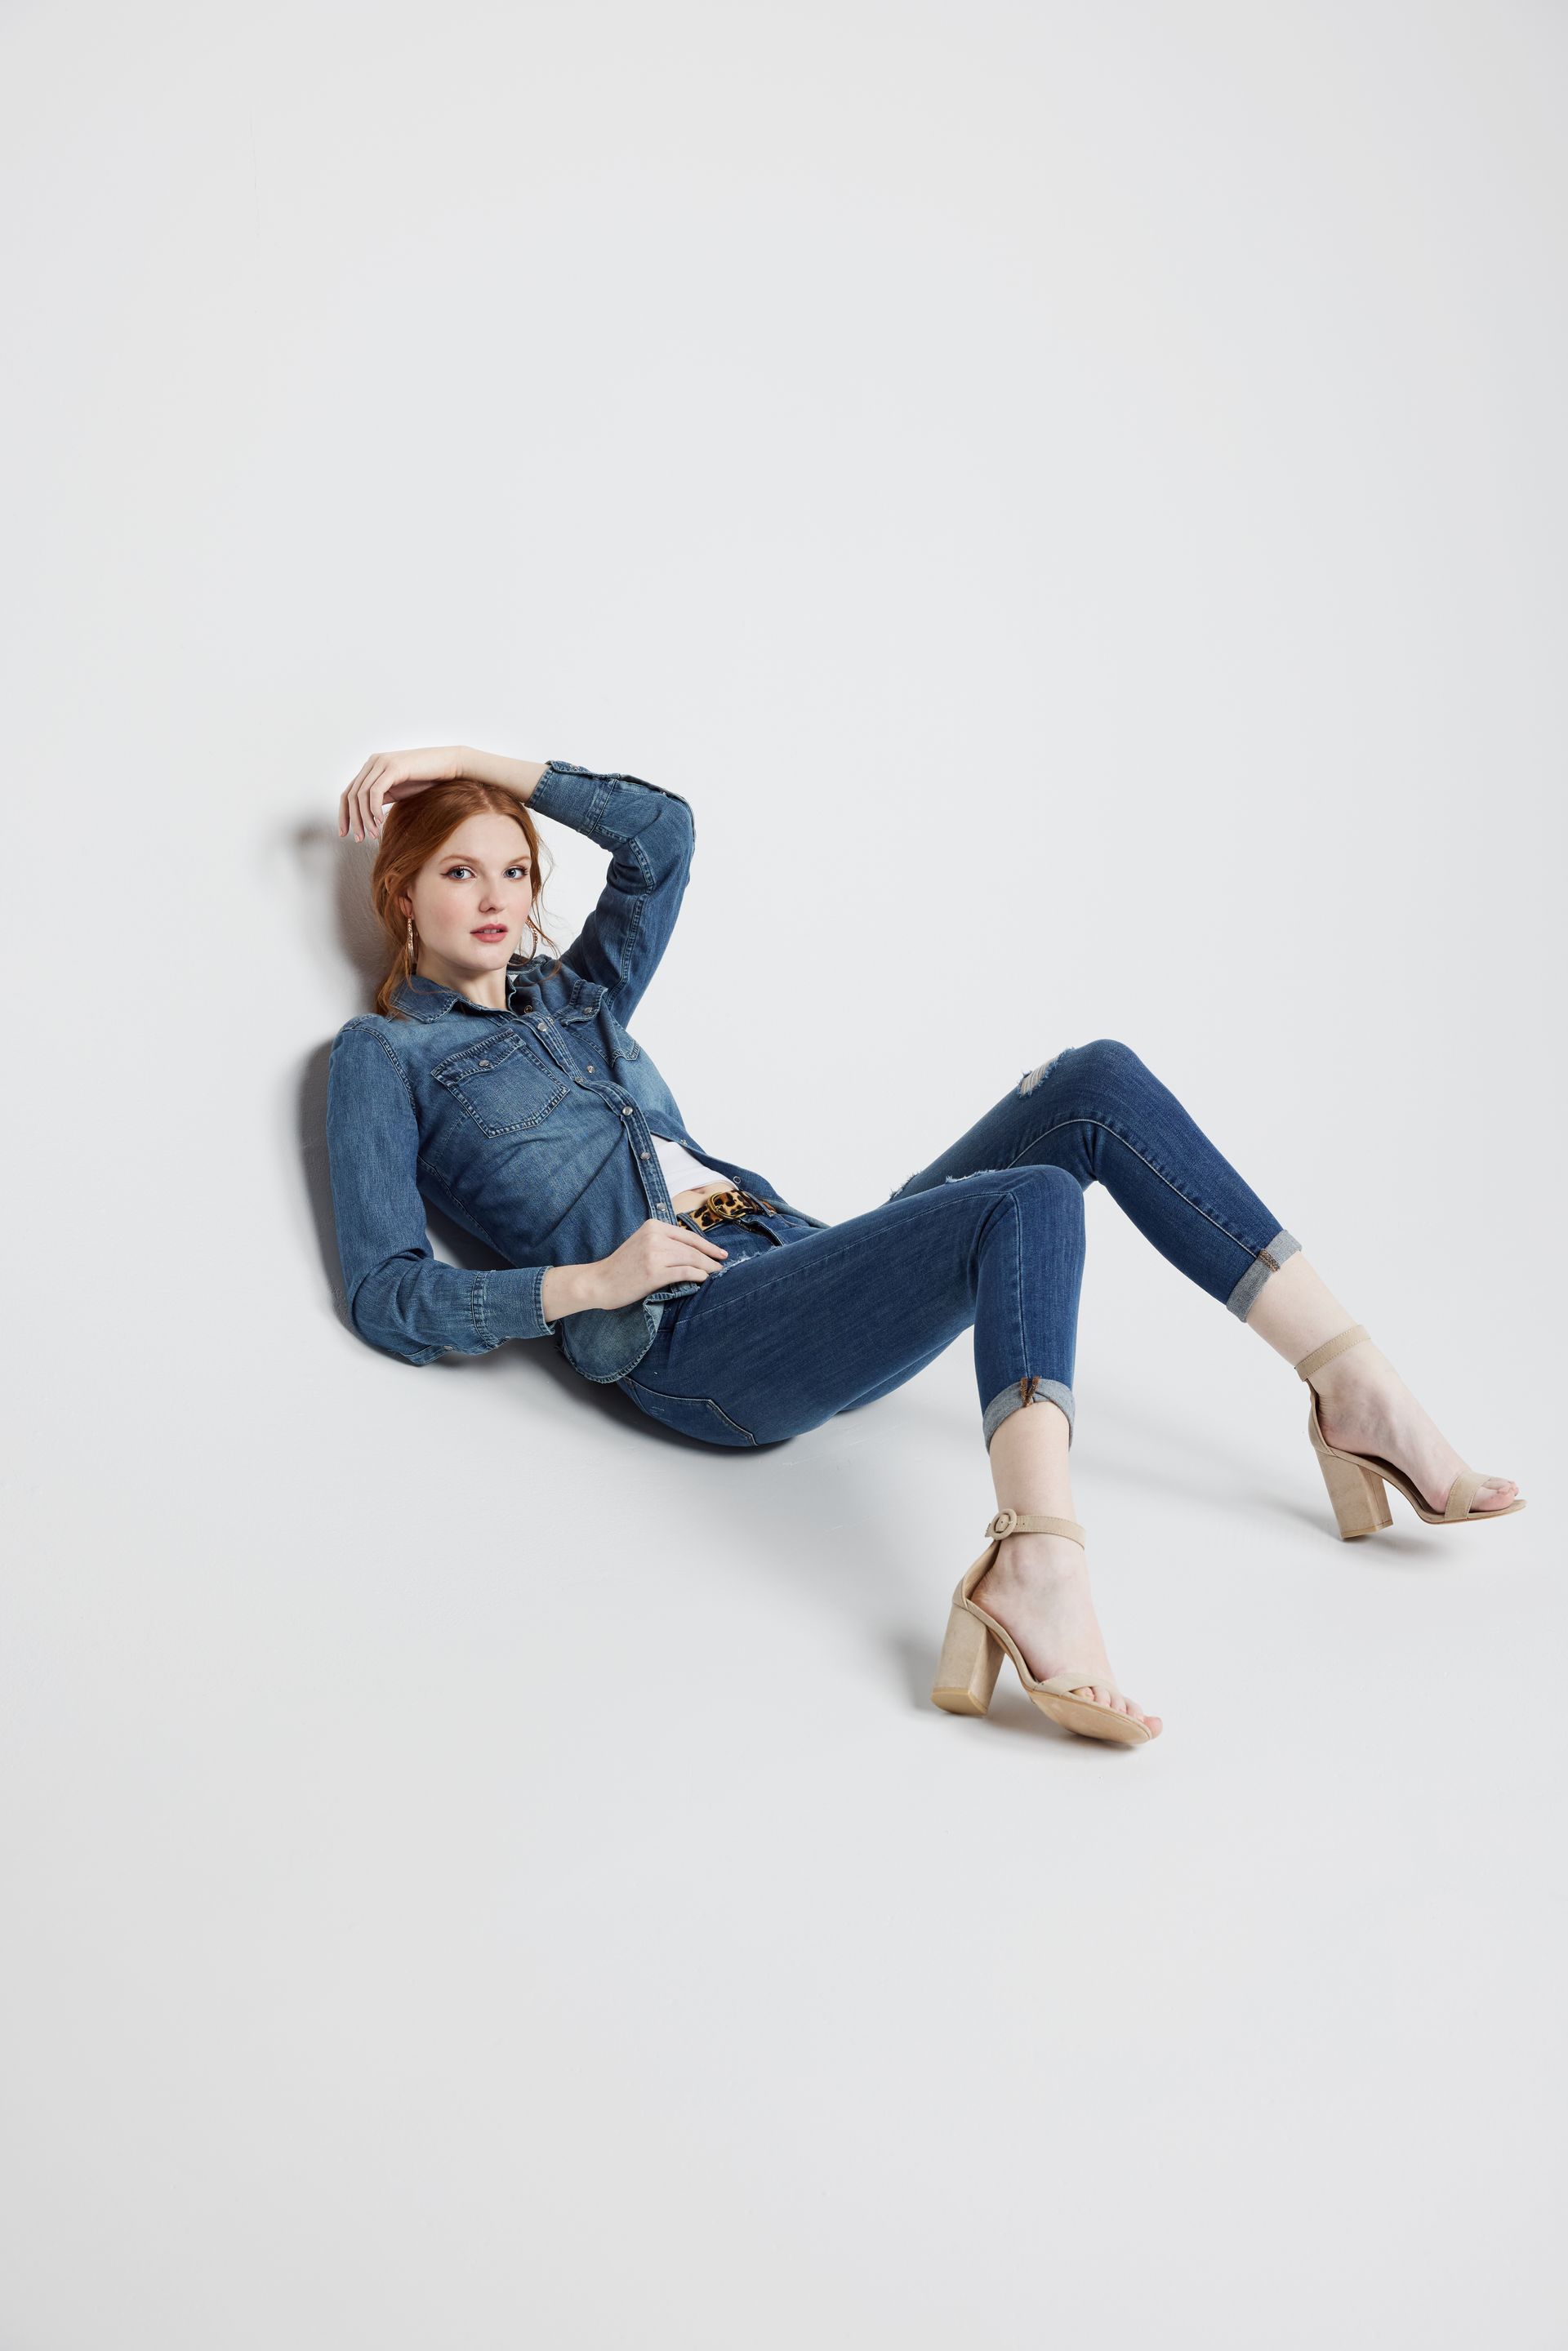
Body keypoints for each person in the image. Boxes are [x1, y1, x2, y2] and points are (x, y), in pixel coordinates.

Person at [326, 747, 1525, 1752]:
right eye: (457, 869)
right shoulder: (386, 1062)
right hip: (694, 1345)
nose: (494, 894)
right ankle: (1034, 1565)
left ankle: (1352, 1386)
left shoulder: (581, 999)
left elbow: (665, 837)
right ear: (401, 893)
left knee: (1093, 1082)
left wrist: (480, 762)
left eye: (515, 867)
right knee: (1028, 1200)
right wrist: (588, 1283)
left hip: (795, 1261)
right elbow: (386, 1293)